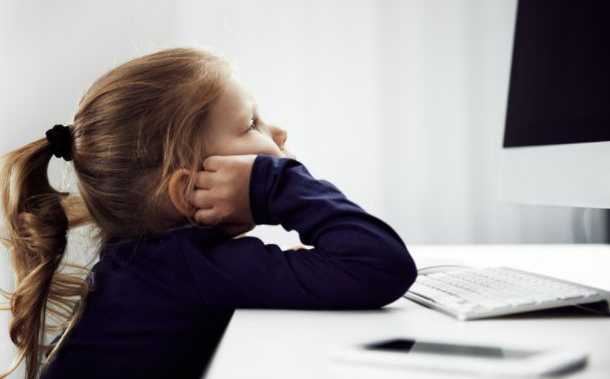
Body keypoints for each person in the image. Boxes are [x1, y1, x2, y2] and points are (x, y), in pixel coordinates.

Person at [0, 47, 417, 379]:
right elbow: (380, 265)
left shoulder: (154, 263)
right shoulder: (184, 268)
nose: (279, 133)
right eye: (252, 123)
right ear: (186, 190)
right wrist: (271, 182)